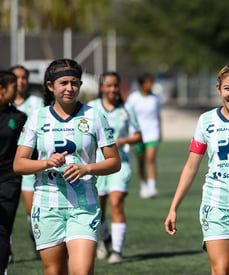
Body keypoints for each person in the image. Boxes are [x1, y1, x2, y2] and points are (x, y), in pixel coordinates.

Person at [13, 58, 121, 275]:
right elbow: (19, 164)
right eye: (63, 83)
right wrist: (46, 162)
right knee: (53, 271)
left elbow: (114, 162)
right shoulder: (37, 117)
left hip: (84, 206)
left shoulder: (94, 115)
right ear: (50, 86)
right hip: (46, 206)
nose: (70, 88)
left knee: (81, 270)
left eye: (75, 83)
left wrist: (86, 169)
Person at [164, 64, 229, 275]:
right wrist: (173, 207)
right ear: (218, 88)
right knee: (220, 270)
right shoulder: (206, 121)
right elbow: (191, 165)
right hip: (215, 205)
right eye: (228, 88)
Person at [88, 71, 141, 264]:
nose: (112, 89)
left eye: (115, 85)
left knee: (117, 203)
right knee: (99, 208)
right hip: (97, 164)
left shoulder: (127, 109)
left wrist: (123, 140)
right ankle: (106, 239)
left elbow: (138, 135)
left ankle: (117, 251)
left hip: (121, 164)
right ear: (102, 87)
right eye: (108, 85)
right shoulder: (91, 108)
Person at [10, 64, 44, 260]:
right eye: (16, 78)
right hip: (7, 166)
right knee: (6, 209)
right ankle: (7, 250)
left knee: (31, 210)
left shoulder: (37, 103)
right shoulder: (4, 104)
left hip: (30, 166)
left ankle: (38, 240)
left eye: (24, 77)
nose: (20, 81)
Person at [0, 70, 27, 275]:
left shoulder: (19, 118)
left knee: (2, 229)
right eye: (13, 86)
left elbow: (28, 151)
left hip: (8, 180)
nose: (17, 90)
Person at [126, 72, 162, 199]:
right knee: (141, 161)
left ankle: (152, 186)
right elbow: (128, 115)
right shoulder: (133, 98)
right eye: (148, 82)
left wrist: (160, 131)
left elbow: (158, 116)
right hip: (137, 133)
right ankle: (143, 185)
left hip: (152, 132)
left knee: (151, 158)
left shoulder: (156, 98)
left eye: (151, 82)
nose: (150, 85)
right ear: (141, 84)